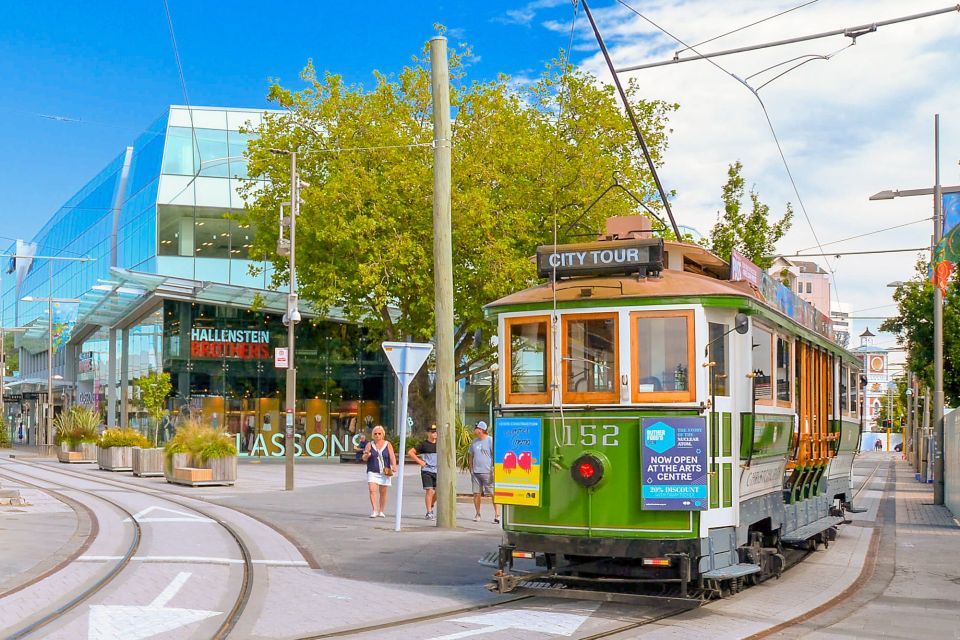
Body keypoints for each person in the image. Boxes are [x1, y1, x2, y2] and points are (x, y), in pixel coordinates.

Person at [468, 420, 500, 524]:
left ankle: (497, 515)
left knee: (492, 493)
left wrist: (494, 469)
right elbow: (471, 456)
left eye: (476, 428)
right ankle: (477, 514)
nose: (475, 430)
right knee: (476, 494)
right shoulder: (474, 442)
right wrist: (471, 469)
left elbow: (495, 455)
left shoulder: (490, 440)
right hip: (476, 473)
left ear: (481, 430)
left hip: (488, 472)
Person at [362, 425, 396, 518]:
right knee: (372, 490)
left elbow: (392, 456)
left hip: (385, 471)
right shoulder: (369, 444)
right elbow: (364, 457)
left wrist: (394, 465)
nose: (377, 435)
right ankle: (374, 510)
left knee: (383, 492)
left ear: (383, 435)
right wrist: (367, 455)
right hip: (372, 470)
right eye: (375, 433)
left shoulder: (387, 444)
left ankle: (381, 510)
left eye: (379, 433)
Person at [409, 425, 438, 519]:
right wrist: (420, 461)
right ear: (428, 433)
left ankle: (431, 504)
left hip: (438, 471)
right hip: (427, 470)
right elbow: (410, 452)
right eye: (432, 432)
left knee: (438, 492)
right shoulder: (423, 444)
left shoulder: (440, 444)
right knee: (429, 490)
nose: (434, 434)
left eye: (435, 432)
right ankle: (429, 512)